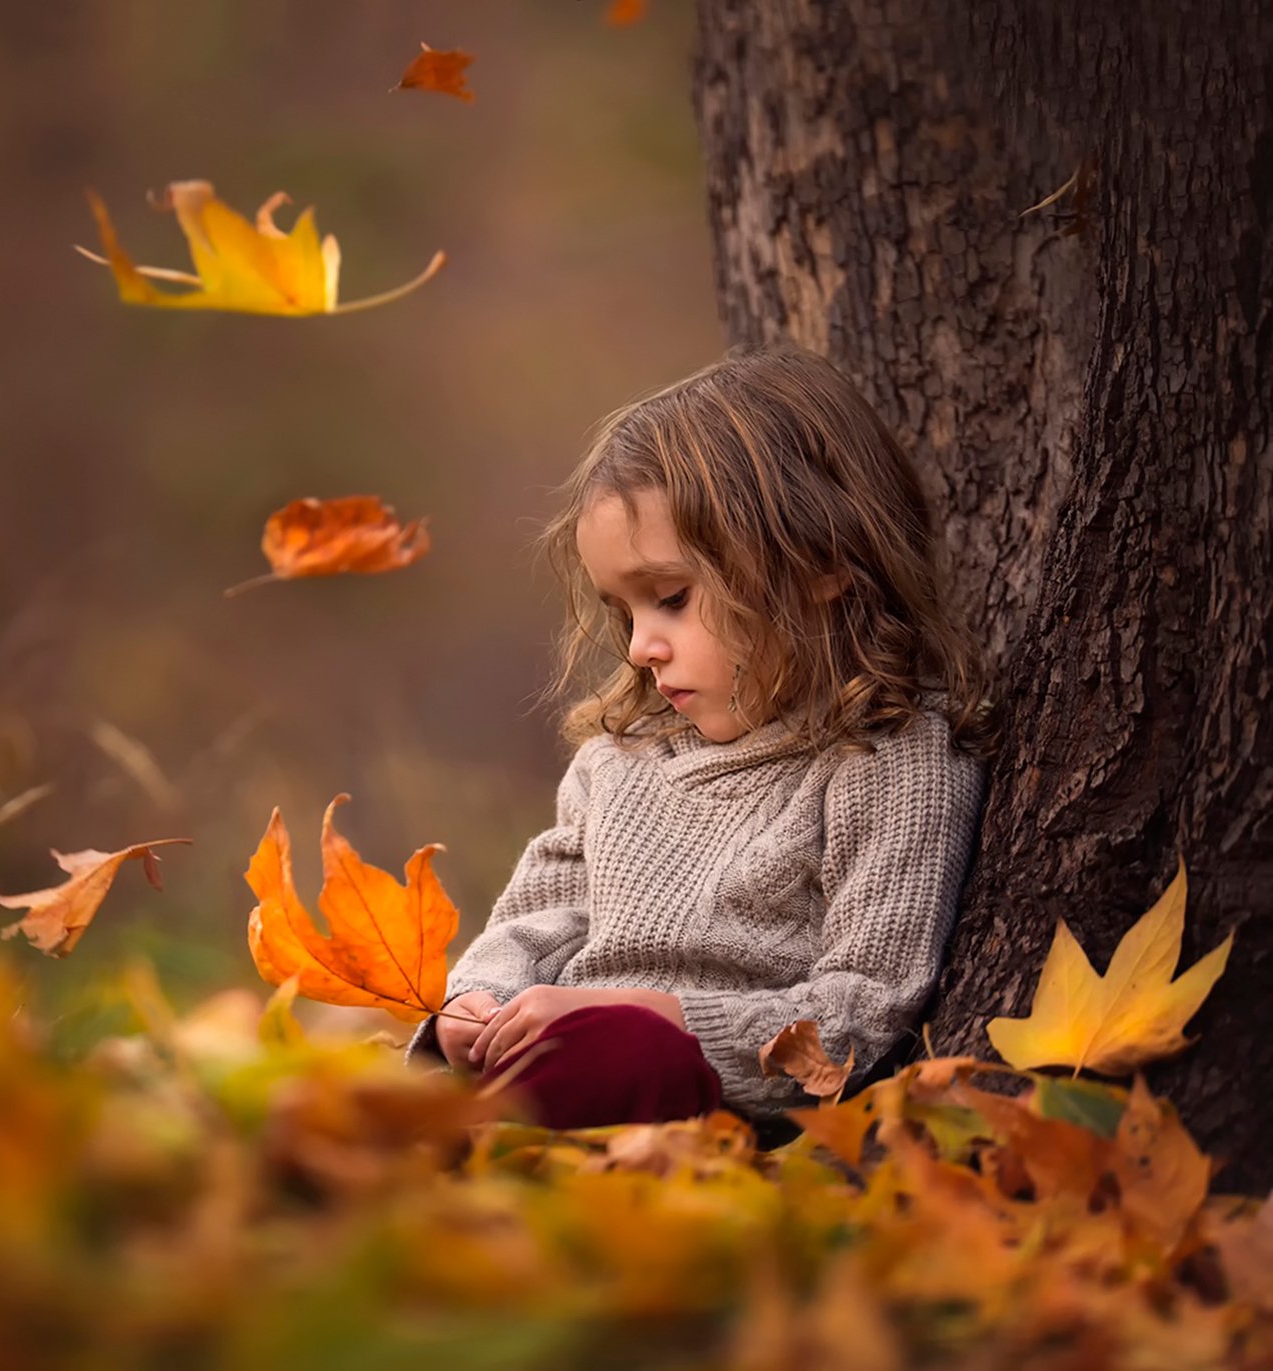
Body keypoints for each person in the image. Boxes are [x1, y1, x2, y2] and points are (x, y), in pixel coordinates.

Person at [406, 344, 993, 1129]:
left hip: (710, 1106)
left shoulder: (890, 755)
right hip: (548, 1061)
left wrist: (657, 1015)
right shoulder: (618, 761)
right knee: (382, 1089)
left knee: (626, 1055)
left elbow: (862, 1008)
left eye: (672, 598)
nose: (642, 645)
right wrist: (477, 1005)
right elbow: (530, 927)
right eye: (626, 612)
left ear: (820, 562)